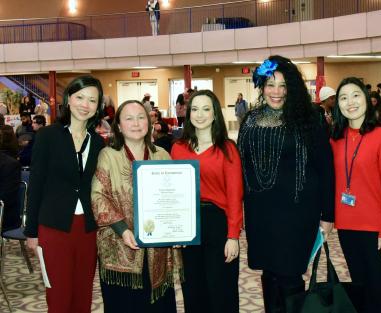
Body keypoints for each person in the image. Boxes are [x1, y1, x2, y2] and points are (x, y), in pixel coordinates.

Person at [237, 55, 334, 312]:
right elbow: (240, 165)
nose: (276, 92)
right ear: (261, 87)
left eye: (282, 85)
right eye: (270, 85)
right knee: (268, 275)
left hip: (297, 213)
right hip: (261, 213)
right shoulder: (250, 120)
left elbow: (326, 167)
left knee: (291, 275)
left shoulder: (310, 118)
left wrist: (328, 214)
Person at [24, 75, 106, 313]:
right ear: (69, 99)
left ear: (97, 106)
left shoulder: (99, 143)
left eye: (92, 100)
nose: (85, 104)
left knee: (83, 295)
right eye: (80, 97)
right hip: (54, 227)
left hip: (88, 229)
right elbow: (37, 184)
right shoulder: (48, 136)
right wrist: (31, 232)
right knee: (59, 296)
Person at [91, 100, 182, 313]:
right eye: (128, 118)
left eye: (141, 117)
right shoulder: (108, 155)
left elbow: (175, 198)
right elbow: (98, 197)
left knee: (159, 306)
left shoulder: (162, 154)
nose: (136, 123)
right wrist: (122, 230)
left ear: (149, 123)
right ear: (119, 126)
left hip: (157, 249)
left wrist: (178, 231)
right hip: (120, 246)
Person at [171, 90, 243, 313]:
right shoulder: (178, 149)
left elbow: (235, 195)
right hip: (188, 224)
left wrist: (233, 236)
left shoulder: (227, 148)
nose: (199, 115)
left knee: (221, 289)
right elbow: (172, 193)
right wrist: (174, 230)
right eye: (194, 109)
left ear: (215, 114)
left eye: (206, 109)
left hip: (217, 223)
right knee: (193, 288)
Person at [331, 77, 381, 313]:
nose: (350, 102)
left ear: (367, 100)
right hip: (347, 228)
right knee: (360, 288)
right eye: (343, 97)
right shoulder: (335, 139)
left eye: (355, 95)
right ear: (337, 104)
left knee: (380, 289)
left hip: (377, 230)